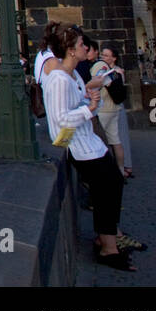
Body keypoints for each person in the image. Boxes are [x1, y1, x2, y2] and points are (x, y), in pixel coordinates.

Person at [43, 25, 134, 271]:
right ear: (71, 51)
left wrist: (88, 97)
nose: (87, 48)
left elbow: (75, 103)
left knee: (112, 185)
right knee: (109, 186)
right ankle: (108, 247)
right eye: (83, 45)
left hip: (88, 142)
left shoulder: (71, 76)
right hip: (79, 146)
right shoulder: (60, 78)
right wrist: (90, 108)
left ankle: (107, 240)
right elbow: (61, 119)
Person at [95, 46, 134, 179]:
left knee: (104, 140)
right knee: (116, 141)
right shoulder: (115, 71)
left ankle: (113, 171)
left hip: (107, 108)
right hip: (113, 109)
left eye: (106, 55)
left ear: (114, 58)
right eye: (102, 55)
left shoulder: (111, 72)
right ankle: (121, 170)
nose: (103, 57)